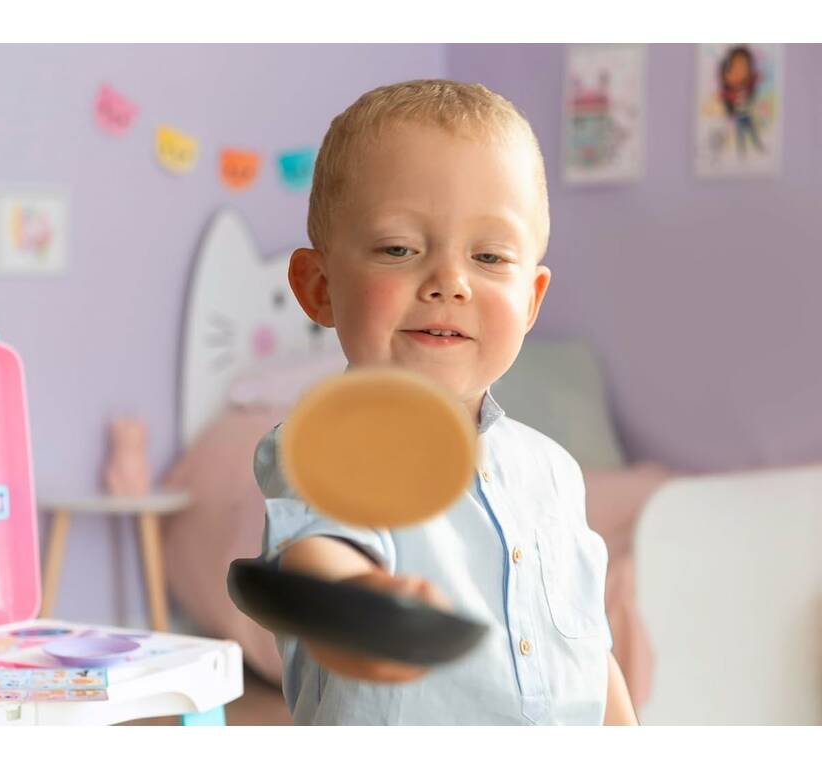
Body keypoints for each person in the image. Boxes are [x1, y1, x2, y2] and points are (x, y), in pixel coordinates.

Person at [253, 79, 638, 725]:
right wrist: (358, 606)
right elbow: (318, 552)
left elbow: (590, 654)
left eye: (489, 256)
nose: (449, 282)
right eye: (399, 249)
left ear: (532, 300)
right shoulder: (330, 446)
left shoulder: (553, 472)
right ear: (318, 287)